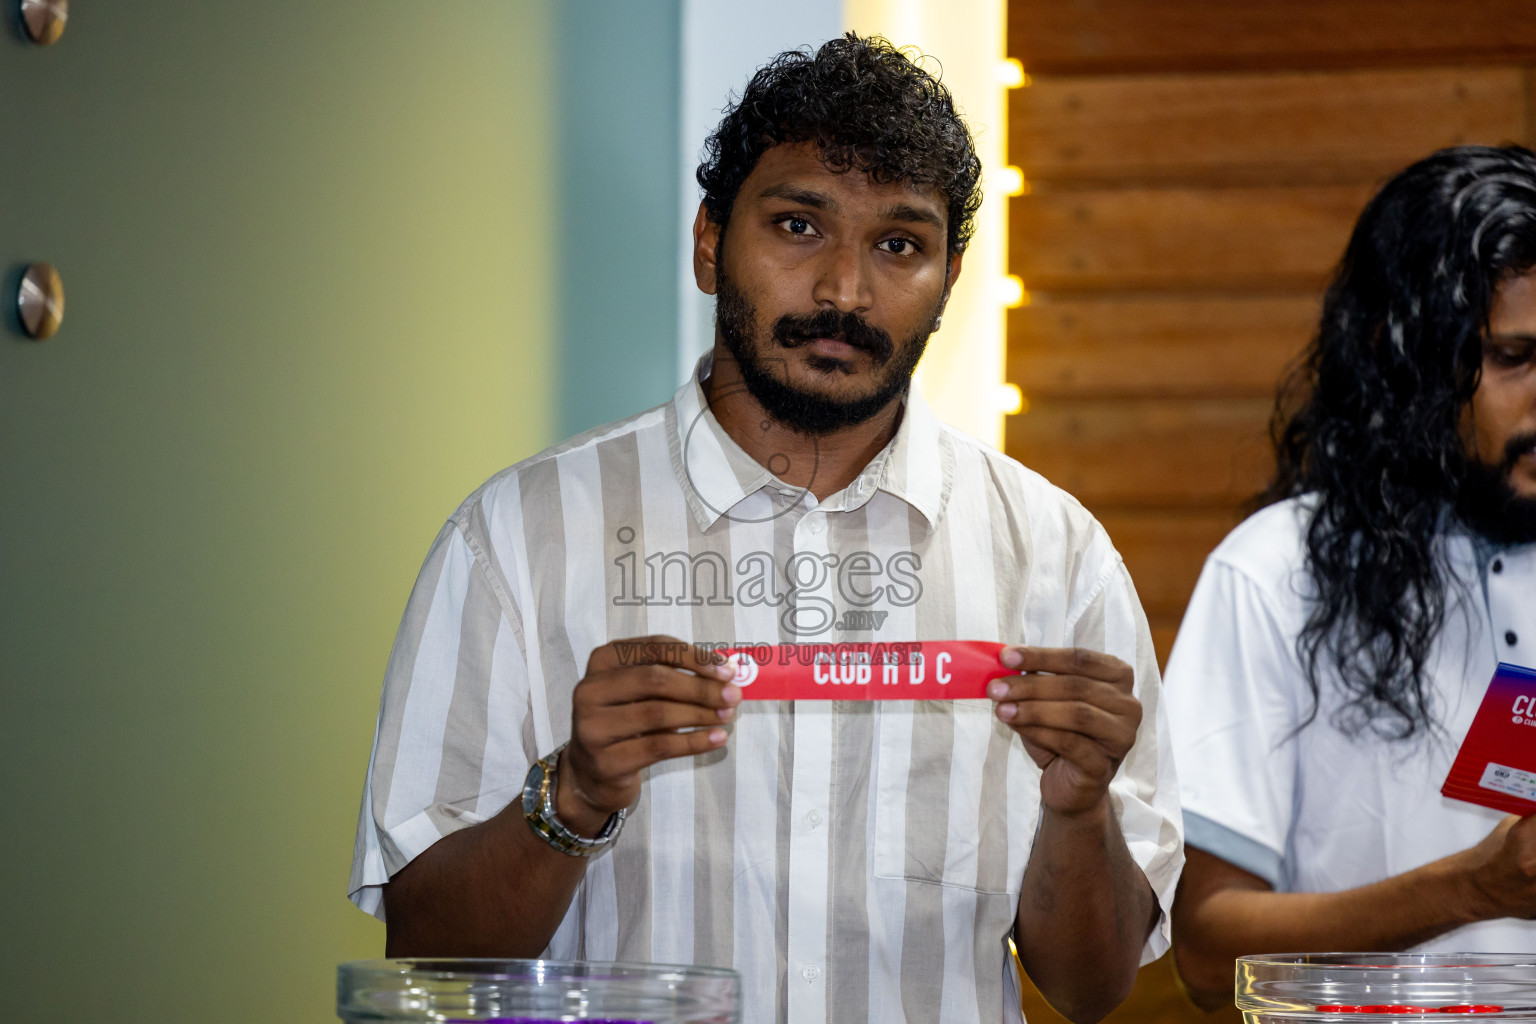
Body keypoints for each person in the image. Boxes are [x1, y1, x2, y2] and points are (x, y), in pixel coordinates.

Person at [349, 34, 1182, 1024]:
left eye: (899, 245)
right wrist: (569, 797)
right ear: (710, 243)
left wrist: (1078, 809)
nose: (844, 291)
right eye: (797, 225)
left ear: (951, 279)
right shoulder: (519, 538)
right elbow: (428, 958)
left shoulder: (1055, 555)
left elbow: (1093, 988)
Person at [1166, 145, 1536, 1007]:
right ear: (1404, 357)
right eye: (1515, 359)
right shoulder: (1274, 575)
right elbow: (1208, 949)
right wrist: (1471, 890)